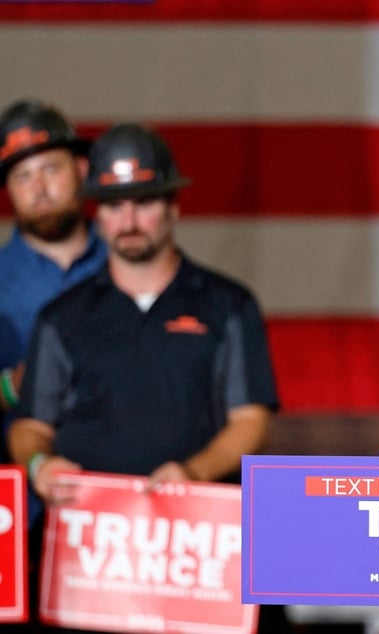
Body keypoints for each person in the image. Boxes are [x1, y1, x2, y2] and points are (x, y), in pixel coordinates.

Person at [7, 123, 285, 632]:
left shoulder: (227, 305)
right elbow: (30, 424)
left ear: (174, 207)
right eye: (114, 205)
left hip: (196, 555)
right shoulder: (62, 316)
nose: (129, 219)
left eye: (144, 201)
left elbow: (251, 421)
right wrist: (40, 464)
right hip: (88, 559)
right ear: (98, 213)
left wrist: (194, 473)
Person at [0, 99, 107, 465]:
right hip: (18, 501)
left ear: (81, 168)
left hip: (122, 494)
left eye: (50, 169)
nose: (39, 188)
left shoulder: (130, 264)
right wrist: (13, 386)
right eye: (22, 176)